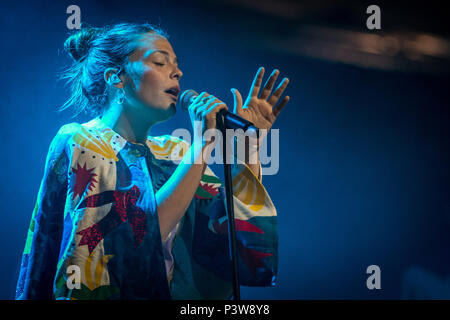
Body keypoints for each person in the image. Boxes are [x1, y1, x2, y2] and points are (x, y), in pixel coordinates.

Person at [15, 22, 290, 300]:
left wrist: (248, 149)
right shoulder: (82, 139)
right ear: (116, 77)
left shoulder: (176, 151)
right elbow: (133, 242)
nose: (178, 72)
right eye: (159, 62)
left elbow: (236, 239)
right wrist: (203, 144)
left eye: (177, 65)